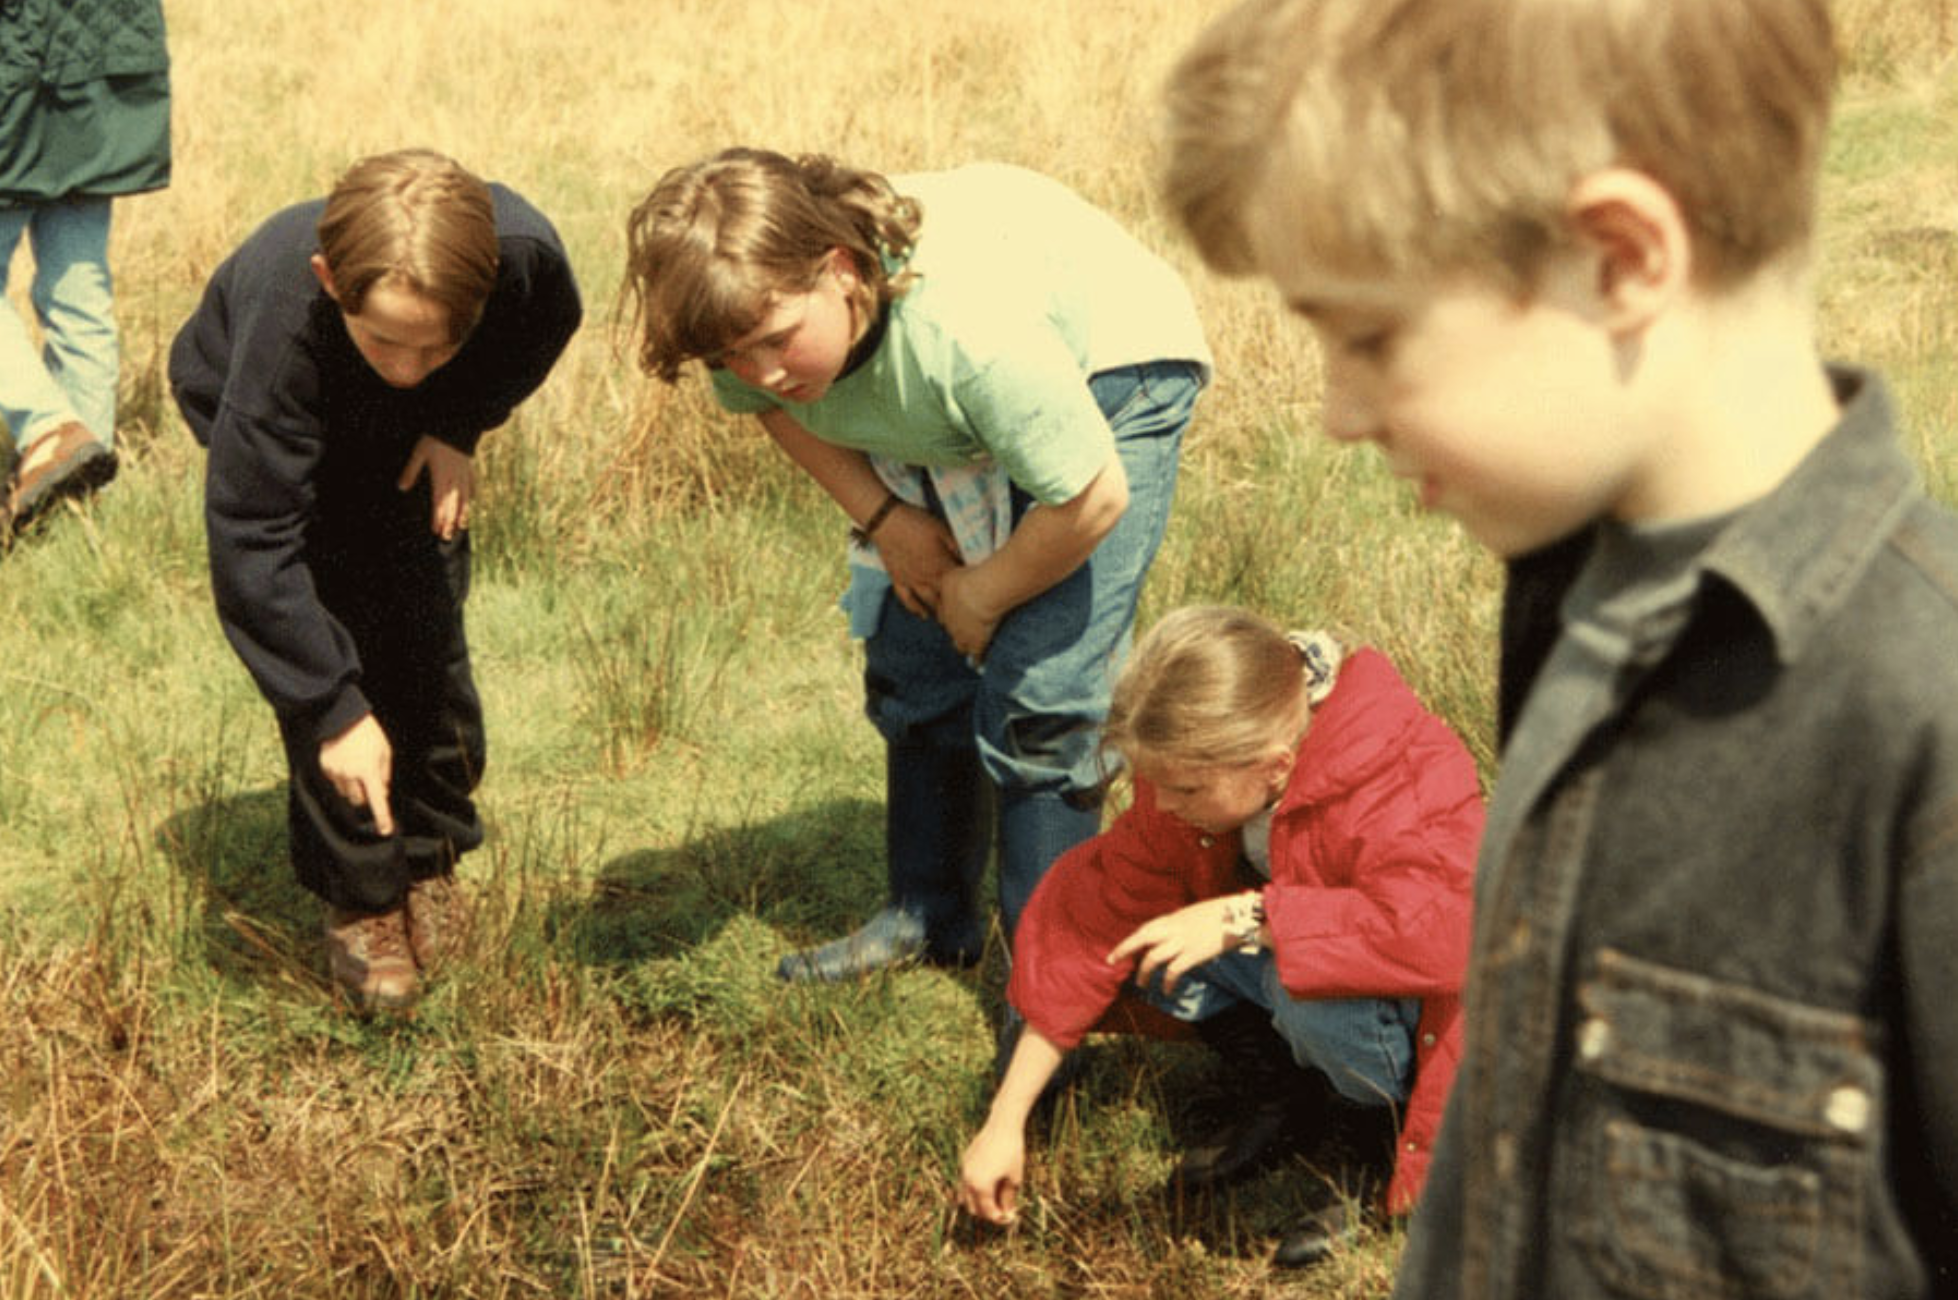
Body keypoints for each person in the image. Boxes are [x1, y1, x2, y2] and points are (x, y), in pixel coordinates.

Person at [1162, 1, 1958, 1296]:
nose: (1335, 411)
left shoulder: (1921, 714)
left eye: (1366, 336)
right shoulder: (1569, 599)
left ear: (1620, 256)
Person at [624, 150, 1211, 985]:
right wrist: (888, 521)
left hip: (1108, 368)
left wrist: (987, 588)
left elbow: (1089, 498)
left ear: (842, 271)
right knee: (914, 652)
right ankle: (930, 915)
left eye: (774, 342)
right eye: (729, 358)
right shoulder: (762, 338)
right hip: (955, 402)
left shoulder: (966, 333)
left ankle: (1047, 975)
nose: (761, 375)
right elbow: (770, 410)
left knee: (1043, 690)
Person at [169, 149, 581, 1013]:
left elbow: (539, 328)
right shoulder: (283, 343)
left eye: (437, 341)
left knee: (426, 634)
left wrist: (456, 420)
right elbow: (253, 536)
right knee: (336, 648)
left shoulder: (524, 263)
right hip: (284, 417)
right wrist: (329, 706)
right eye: (386, 337)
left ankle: (428, 862)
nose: (406, 363)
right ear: (330, 280)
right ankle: (361, 899)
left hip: (413, 430)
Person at [958, 605, 1481, 1268]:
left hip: (1405, 999)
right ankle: (1285, 1094)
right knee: (1143, 942)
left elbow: (1449, 935)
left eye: (1183, 789)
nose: (1164, 803)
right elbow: (1088, 925)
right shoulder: (1206, 764)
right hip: (1289, 952)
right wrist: (1005, 1121)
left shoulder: (1399, 771)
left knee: (1307, 994)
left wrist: (1250, 921)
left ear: (1273, 765)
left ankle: (1368, 1133)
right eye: (1154, 782)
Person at [0, 0, 170, 535]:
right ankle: (74, 509)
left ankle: (50, 431)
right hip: (106, 79)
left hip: (21, 71)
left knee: (80, 292)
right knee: (80, 294)